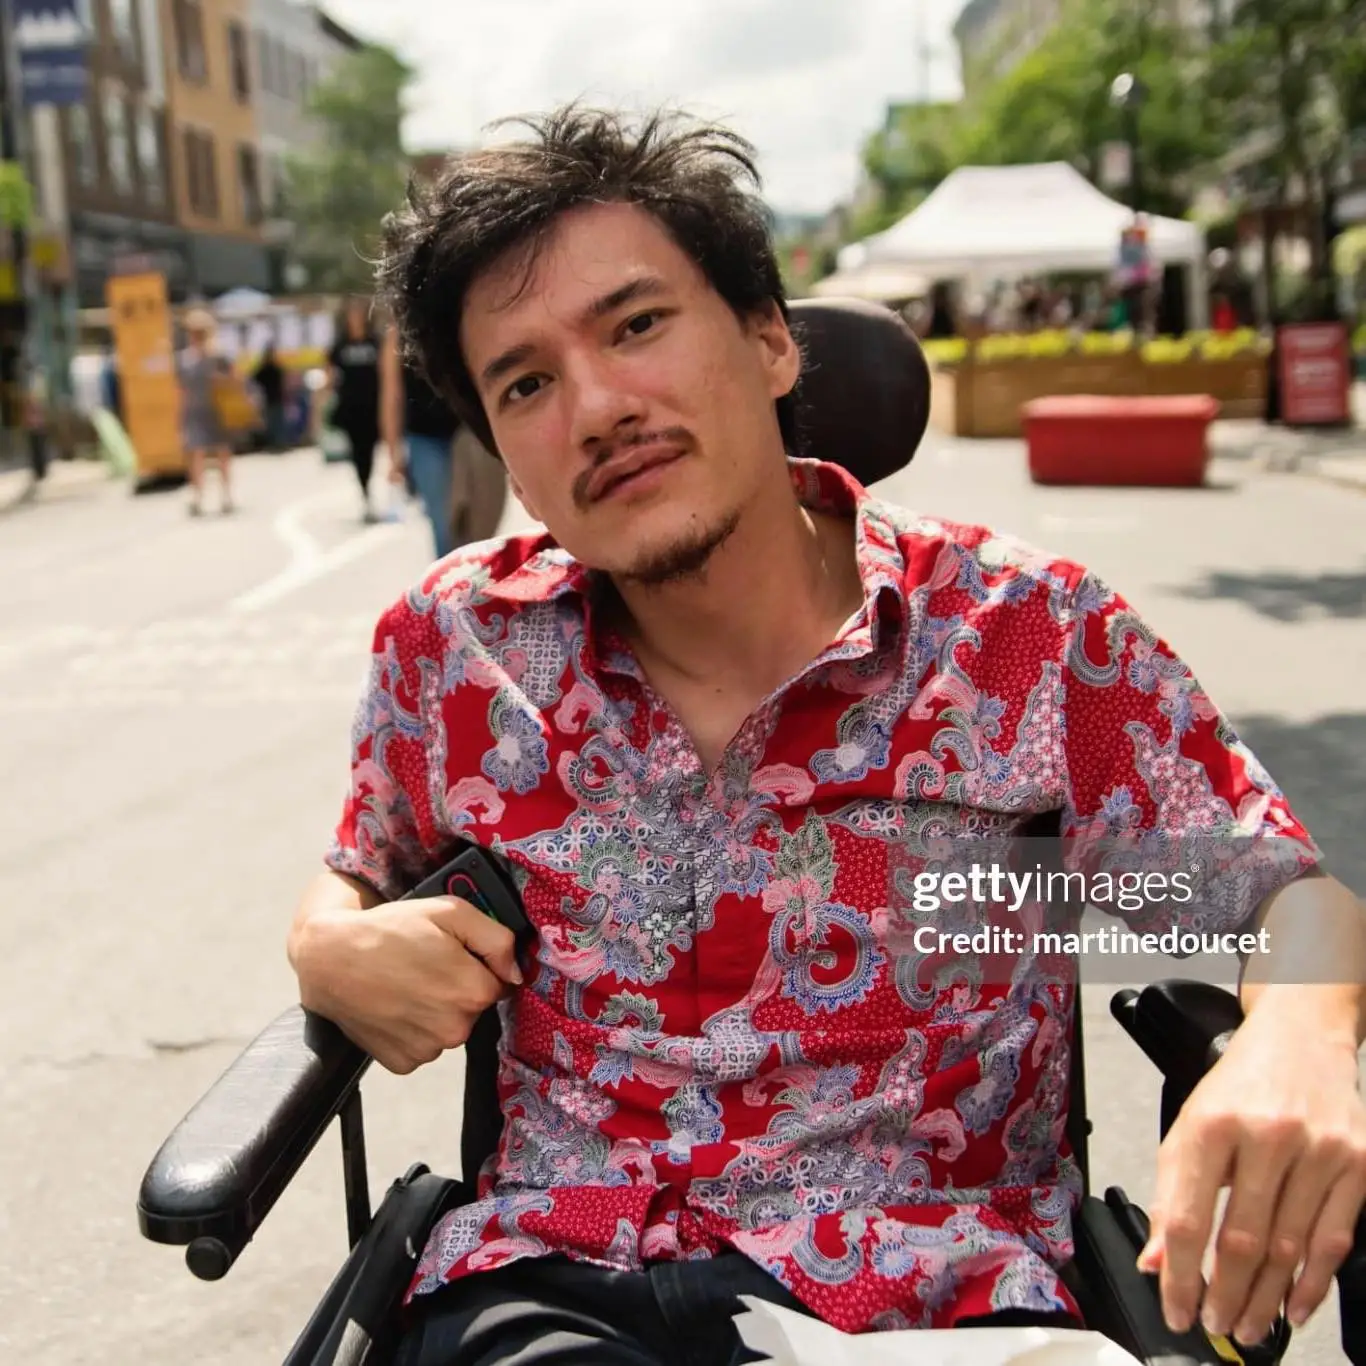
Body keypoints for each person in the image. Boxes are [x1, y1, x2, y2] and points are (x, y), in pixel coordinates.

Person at [285, 106, 1366, 1366]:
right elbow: (364, 860)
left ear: (768, 341)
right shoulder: (456, 649)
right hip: (550, 1286)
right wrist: (322, 943)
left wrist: (1296, 1038)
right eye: (525, 382)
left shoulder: (1014, 637)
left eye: (636, 325)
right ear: (506, 455)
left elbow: (1280, 896)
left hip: (937, 1299)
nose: (595, 405)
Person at [380, 325, 464, 559]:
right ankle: (450, 590)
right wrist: (393, 453)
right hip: (424, 438)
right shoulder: (398, 334)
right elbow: (391, 395)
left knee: (478, 522)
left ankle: (479, 586)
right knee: (443, 522)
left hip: (469, 434)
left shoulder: (457, 313)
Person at [327, 297, 383, 522]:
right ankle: (365, 490)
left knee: (371, 451)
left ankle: (373, 487)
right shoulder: (339, 346)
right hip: (350, 408)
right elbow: (330, 377)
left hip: (374, 406)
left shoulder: (375, 343)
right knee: (358, 453)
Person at [177, 308, 234, 516]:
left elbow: (233, 380)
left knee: (222, 453)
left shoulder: (218, 355)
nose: (195, 336)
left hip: (217, 409)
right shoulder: (185, 359)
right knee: (196, 454)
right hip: (194, 411)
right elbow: (181, 389)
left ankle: (226, 495)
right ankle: (197, 496)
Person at [253, 342, 287, 451]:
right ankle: (274, 443)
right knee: (272, 423)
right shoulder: (266, 369)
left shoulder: (275, 368)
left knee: (277, 422)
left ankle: (278, 443)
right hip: (269, 399)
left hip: (276, 399)